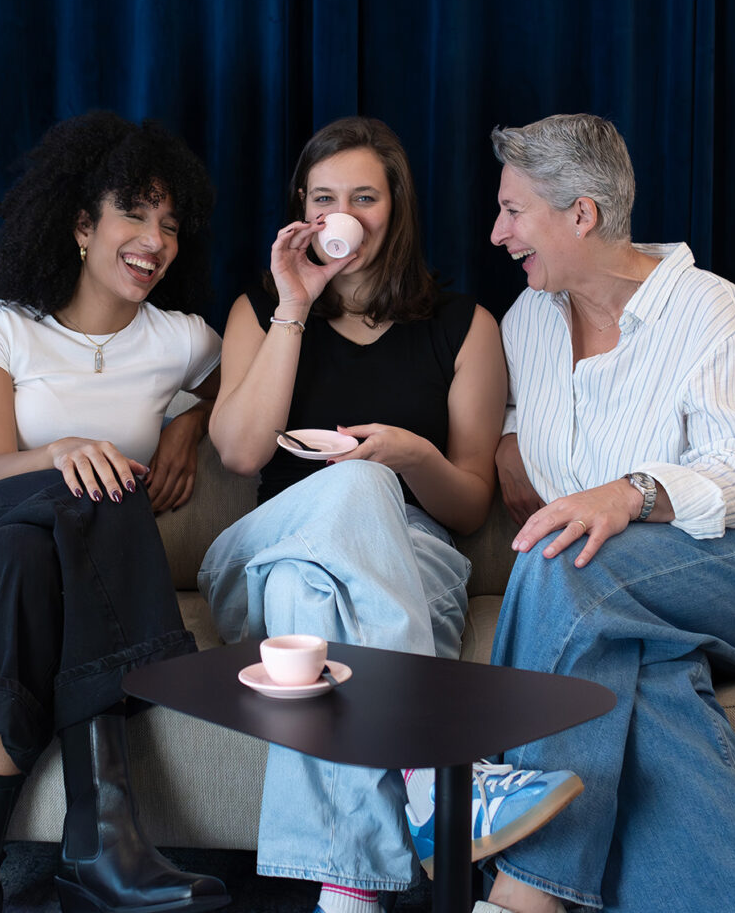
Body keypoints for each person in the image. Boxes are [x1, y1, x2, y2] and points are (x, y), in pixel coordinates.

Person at [197, 117, 580, 913]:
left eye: (364, 198)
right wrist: (294, 305)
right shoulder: (259, 309)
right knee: (349, 494)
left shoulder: (464, 326)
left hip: (407, 563)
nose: (343, 215)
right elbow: (238, 452)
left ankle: (348, 897)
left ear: (395, 207)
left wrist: (412, 457)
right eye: (324, 198)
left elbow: (468, 508)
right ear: (302, 209)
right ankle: (431, 768)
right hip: (264, 553)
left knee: (310, 599)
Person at [0, 112, 229, 913]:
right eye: (134, 214)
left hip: (12, 584)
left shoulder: (180, 340)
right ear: (81, 225)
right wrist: (67, 450)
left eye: (170, 225)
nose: (155, 240)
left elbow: (238, 388)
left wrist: (187, 424)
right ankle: (103, 847)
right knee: (101, 484)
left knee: (25, 560)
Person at [479, 114, 735, 913]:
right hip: (630, 601)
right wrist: (507, 440)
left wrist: (629, 492)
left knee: (562, 559)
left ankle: (523, 888)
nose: (497, 233)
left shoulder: (711, 310)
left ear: (580, 214)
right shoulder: (526, 322)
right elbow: (528, 413)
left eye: (512, 211)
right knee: (639, 677)